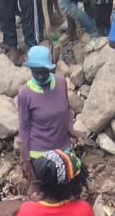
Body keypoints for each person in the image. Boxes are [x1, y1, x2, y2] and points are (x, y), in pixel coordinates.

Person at [17, 44, 73, 180]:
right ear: (30, 69)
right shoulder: (25, 94)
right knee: (51, 183)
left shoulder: (60, 82)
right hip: (40, 153)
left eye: (44, 71)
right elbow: (24, 127)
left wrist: (71, 129)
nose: (41, 76)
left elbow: (68, 109)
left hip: (63, 147)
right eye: (36, 72)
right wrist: (26, 159)